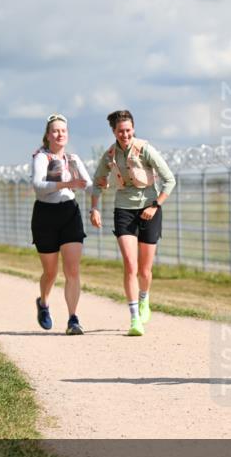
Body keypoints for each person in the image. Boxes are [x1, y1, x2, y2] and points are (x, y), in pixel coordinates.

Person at [90, 109, 176, 336]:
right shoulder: (110, 155)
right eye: (120, 131)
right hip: (124, 211)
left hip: (150, 209)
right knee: (130, 264)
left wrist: (155, 205)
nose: (124, 135)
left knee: (145, 271)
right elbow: (97, 182)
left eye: (128, 130)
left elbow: (169, 180)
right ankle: (134, 318)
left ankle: (144, 299)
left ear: (133, 129)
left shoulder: (145, 150)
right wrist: (94, 208)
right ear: (114, 131)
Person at [30, 113, 93, 335]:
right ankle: (44, 303)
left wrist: (99, 180)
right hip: (45, 216)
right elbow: (38, 185)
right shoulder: (41, 158)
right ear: (48, 135)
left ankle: (73, 319)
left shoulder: (72, 159)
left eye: (63, 131)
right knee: (50, 272)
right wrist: (66, 183)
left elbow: (88, 184)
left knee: (72, 270)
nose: (60, 134)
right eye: (55, 130)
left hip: (69, 212)